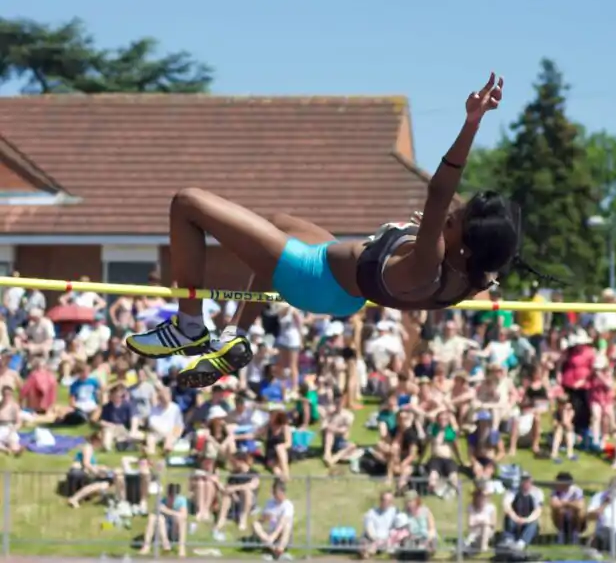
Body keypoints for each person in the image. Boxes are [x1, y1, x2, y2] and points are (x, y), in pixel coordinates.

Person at [127, 74, 534, 389]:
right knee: (280, 222)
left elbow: (440, 189)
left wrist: (472, 124)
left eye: (458, 219)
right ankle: (234, 336)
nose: (453, 211)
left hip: (315, 277)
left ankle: (189, 326)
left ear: (465, 243)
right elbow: (487, 242)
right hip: (342, 286)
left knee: (187, 202)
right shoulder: (473, 273)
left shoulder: (430, 261)